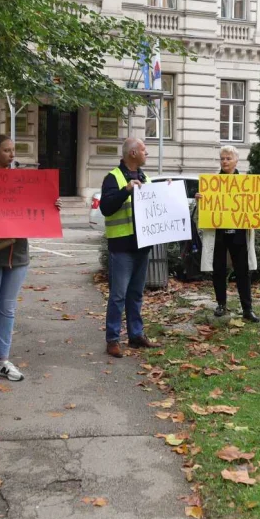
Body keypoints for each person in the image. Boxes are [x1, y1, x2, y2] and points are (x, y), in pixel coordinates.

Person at [0, 135, 59, 385]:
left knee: (7, 309)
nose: (12, 155)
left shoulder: (22, 181)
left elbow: (37, 209)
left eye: (13, 150)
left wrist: (52, 205)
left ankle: (3, 359)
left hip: (17, 256)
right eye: (6, 150)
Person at [99, 137, 159, 358]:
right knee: (118, 295)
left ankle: (136, 335)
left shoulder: (146, 178)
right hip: (122, 246)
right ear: (133, 153)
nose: (147, 153)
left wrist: (168, 191)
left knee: (136, 294)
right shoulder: (113, 178)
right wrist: (125, 190)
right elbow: (106, 208)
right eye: (144, 149)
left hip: (142, 245)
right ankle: (113, 339)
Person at [195, 146, 260, 323]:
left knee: (243, 272)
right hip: (219, 234)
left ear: (236, 161)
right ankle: (221, 304)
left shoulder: (246, 183)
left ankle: (247, 309)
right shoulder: (212, 183)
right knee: (218, 270)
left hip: (239, 234)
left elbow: (256, 205)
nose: (224, 161)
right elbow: (204, 213)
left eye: (228, 158)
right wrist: (200, 200)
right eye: (222, 158)